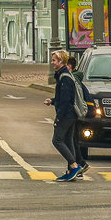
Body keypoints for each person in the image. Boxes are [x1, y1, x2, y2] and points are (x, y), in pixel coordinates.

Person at [44, 49, 87, 182]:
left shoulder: (65, 77)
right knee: (68, 142)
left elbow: (66, 100)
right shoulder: (64, 75)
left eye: (54, 60)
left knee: (57, 140)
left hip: (67, 115)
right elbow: (63, 97)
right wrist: (52, 101)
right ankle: (70, 171)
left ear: (61, 61)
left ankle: (74, 166)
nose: (52, 63)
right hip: (71, 114)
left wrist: (58, 117)